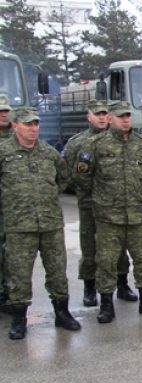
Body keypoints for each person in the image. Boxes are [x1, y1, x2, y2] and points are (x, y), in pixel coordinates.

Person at [73, 101, 142, 323]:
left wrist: (141, 195)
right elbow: (82, 178)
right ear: (111, 119)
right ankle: (106, 303)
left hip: (136, 215)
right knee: (106, 261)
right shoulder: (95, 145)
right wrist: (103, 198)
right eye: (121, 116)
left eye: (128, 116)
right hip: (108, 217)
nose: (125, 120)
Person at [0, 107, 80, 339]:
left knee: (57, 271)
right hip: (19, 225)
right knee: (19, 275)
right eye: (28, 124)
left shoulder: (48, 153)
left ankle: (62, 313)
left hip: (50, 224)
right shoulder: (3, 152)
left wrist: (48, 194)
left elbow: (63, 177)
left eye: (36, 124)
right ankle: (19, 319)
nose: (33, 129)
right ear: (15, 126)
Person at [62, 100, 135, 307]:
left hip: (117, 205)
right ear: (89, 116)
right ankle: (89, 287)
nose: (102, 117)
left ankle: (122, 284)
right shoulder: (78, 143)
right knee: (90, 247)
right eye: (97, 114)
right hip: (90, 205)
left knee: (119, 247)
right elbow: (69, 174)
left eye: (105, 114)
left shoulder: (122, 139)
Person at [0, 95, 15, 308]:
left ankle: (8, 294)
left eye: (5, 110)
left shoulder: (17, 137)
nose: (3, 114)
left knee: (11, 253)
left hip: (13, 209)